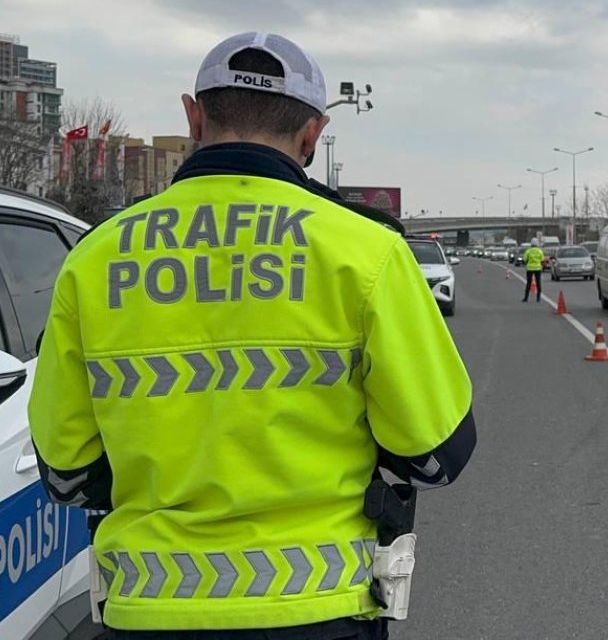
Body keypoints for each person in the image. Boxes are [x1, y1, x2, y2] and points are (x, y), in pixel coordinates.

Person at [28, 32, 476, 640]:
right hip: (320, 609)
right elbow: (437, 454)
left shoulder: (97, 256)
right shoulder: (366, 251)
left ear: (194, 115)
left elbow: (65, 470)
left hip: (148, 609)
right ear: (313, 135)